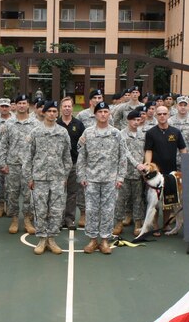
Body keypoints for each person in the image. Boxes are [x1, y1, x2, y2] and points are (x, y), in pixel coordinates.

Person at [24, 101, 72, 255]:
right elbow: (28, 157)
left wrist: (64, 175)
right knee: (40, 209)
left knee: (57, 210)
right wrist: (30, 178)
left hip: (58, 178)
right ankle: (42, 239)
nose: (52, 113)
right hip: (40, 178)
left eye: (54, 111)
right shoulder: (35, 132)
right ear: (43, 113)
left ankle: (51, 239)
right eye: (49, 111)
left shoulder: (63, 132)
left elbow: (67, 157)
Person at [77, 101, 125, 254]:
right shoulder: (88, 133)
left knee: (108, 210)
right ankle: (92, 240)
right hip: (91, 178)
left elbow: (122, 157)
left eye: (106, 112)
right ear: (95, 114)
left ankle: (104, 240)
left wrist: (120, 177)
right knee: (91, 210)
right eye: (100, 112)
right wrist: (81, 175)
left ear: (109, 114)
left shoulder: (116, 133)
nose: (103, 114)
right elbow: (82, 156)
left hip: (110, 179)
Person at [0, 94, 38, 234]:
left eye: (24, 103)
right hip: (12, 165)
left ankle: (27, 219)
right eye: (19, 103)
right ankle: (14, 219)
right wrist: (3, 164)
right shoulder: (8, 123)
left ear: (28, 105)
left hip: (28, 166)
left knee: (28, 194)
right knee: (12, 194)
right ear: (16, 105)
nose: (21, 105)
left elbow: (38, 147)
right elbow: (3, 145)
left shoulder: (35, 124)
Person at [115, 110, 146, 237]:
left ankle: (138, 223)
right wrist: (137, 164)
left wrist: (144, 166)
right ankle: (118, 223)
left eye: (138, 120)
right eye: (134, 120)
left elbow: (146, 151)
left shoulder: (143, 135)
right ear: (128, 120)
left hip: (139, 174)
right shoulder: (121, 134)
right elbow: (125, 152)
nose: (136, 122)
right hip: (124, 172)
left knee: (138, 199)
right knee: (121, 199)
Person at [58, 96, 86, 229]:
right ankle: (58, 218)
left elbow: (84, 144)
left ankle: (69, 219)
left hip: (74, 164)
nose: (67, 108)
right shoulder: (56, 124)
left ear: (72, 107)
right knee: (58, 193)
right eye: (65, 106)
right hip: (58, 166)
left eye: (69, 106)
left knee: (72, 193)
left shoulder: (79, 125)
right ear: (61, 108)